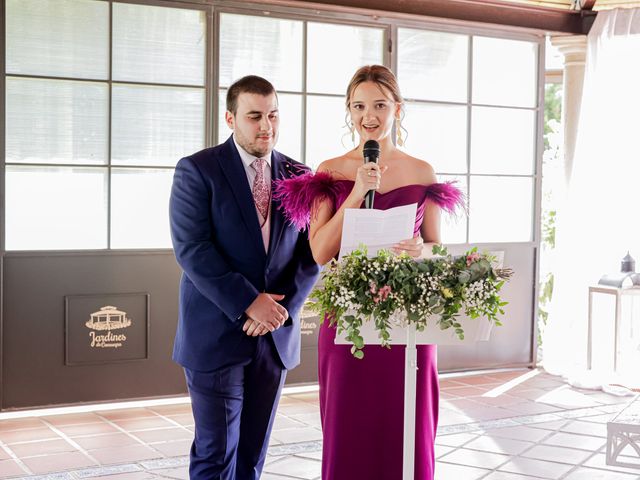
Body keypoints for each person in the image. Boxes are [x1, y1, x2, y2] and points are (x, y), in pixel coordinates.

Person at [169, 75, 320, 480]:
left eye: (272, 115)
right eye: (254, 116)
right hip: (216, 335)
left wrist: (279, 310)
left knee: (252, 455)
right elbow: (193, 249)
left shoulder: (299, 175)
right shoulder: (198, 170)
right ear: (230, 118)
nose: (266, 126)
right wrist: (250, 302)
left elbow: (311, 254)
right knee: (216, 453)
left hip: (274, 339)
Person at [311, 65, 442, 479]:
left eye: (380, 105)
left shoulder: (422, 171)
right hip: (347, 318)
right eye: (359, 106)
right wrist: (356, 192)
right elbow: (319, 251)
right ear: (348, 111)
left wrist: (421, 249)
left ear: (398, 109)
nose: (369, 116)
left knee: (407, 426)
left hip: (408, 320)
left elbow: (437, 246)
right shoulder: (329, 169)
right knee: (350, 427)